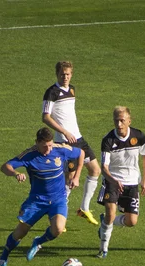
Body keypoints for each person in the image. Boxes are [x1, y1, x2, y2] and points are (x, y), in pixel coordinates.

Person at [0, 127, 84, 266]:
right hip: (37, 201)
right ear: (37, 143)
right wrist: (16, 173)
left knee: (58, 229)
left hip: (58, 199)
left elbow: (81, 153)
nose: (48, 149)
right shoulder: (30, 155)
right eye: (44, 146)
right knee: (20, 233)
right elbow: (5, 167)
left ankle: (38, 242)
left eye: (50, 145)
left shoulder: (60, 149)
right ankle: (4, 256)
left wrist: (77, 177)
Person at [42, 61, 101, 226]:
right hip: (65, 141)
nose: (65, 77)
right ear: (57, 74)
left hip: (79, 138)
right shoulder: (51, 92)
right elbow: (45, 116)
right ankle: (58, 216)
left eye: (68, 74)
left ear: (71, 74)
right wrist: (64, 132)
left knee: (95, 169)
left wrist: (72, 132)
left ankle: (84, 208)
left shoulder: (72, 89)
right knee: (69, 181)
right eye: (62, 74)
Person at [96, 106, 145, 258]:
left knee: (132, 221)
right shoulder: (108, 140)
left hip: (132, 182)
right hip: (112, 181)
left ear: (129, 121)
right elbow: (104, 167)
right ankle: (103, 249)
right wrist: (114, 180)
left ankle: (107, 222)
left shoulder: (139, 136)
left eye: (122, 121)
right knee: (110, 213)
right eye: (116, 121)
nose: (119, 124)